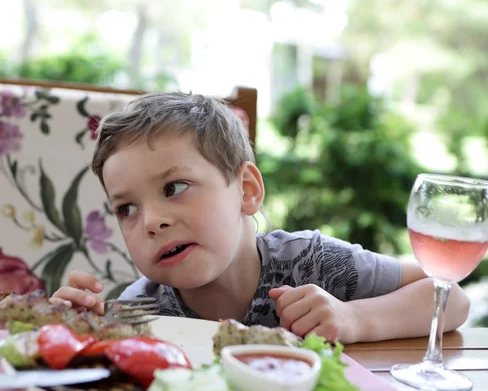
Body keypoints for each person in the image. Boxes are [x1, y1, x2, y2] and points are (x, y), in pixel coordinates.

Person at [51, 92, 470, 344]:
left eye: (174, 188)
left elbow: (450, 297)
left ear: (247, 191)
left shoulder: (312, 263)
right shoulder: (138, 312)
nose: (151, 221)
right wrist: (76, 335)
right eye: (127, 208)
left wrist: (354, 318)